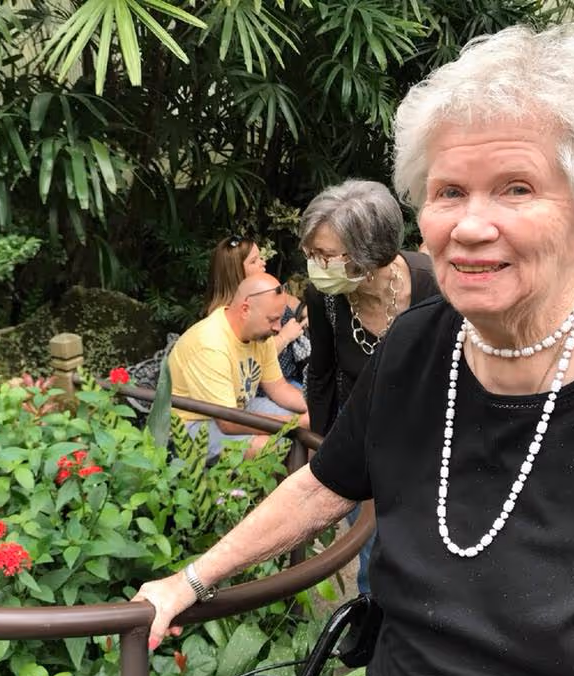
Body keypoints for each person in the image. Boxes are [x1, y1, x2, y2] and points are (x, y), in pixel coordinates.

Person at [135, 24, 574, 676]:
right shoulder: (414, 346)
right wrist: (190, 579)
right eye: (449, 191)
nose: (470, 225)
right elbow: (325, 484)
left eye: (517, 188)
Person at [301, 179, 438, 593]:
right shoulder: (324, 295)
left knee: (426, 540)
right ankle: (370, 629)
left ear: (368, 255)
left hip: (427, 430)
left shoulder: (433, 285)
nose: (316, 265)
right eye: (310, 254)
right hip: (361, 426)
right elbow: (321, 373)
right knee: (370, 545)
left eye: (325, 255)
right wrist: (324, 452)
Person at [169, 272, 309, 460]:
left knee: (315, 428)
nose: (278, 328)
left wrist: (317, 409)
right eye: (272, 319)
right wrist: (296, 423)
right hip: (193, 424)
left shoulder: (260, 336)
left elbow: (279, 387)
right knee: (270, 447)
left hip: (237, 408)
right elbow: (228, 423)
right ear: (245, 310)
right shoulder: (210, 344)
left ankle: (308, 487)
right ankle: (279, 488)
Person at [203, 235, 309, 387]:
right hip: (262, 388)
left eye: (260, 257)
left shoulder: (264, 291)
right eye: (254, 261)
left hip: (292, 376)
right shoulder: (233, 315)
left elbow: (288, 300)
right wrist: (285, 336)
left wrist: (305, 311)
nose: (263, 263)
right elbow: (247, 359)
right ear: (236, 272)